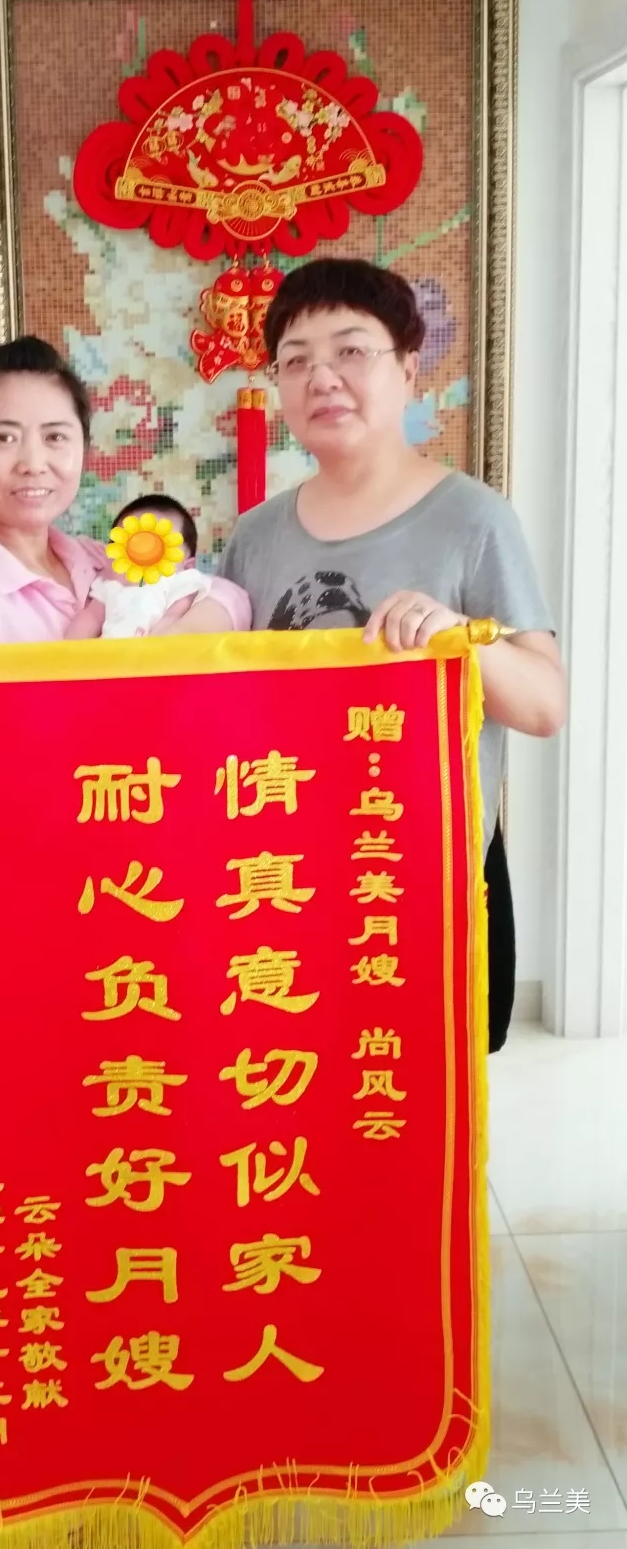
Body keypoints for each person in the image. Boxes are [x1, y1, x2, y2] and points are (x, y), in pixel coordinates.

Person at [220, 257, 566, 1053]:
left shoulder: (472, 519)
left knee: (428, 1100)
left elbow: (546, 705)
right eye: (296, 361)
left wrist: (461, 637)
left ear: (408, 370)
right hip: (288, 877)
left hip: (429, 877)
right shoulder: (256, 536)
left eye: (350, 350)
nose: (322, 378)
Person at [0, 338, 251, 646]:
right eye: (4, 438)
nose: (33, 464)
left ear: (83, 447)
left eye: (55, 437)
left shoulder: (98, 559)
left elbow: (228, 595)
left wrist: (176, 637)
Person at [69, 493, 217, 638]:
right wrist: (68, 645)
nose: (142, 556)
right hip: (109, 652)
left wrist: (163, 633)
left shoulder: (178, 584)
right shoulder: (110, 587)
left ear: (187, 567)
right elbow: (89, 620)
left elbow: (175, 617)